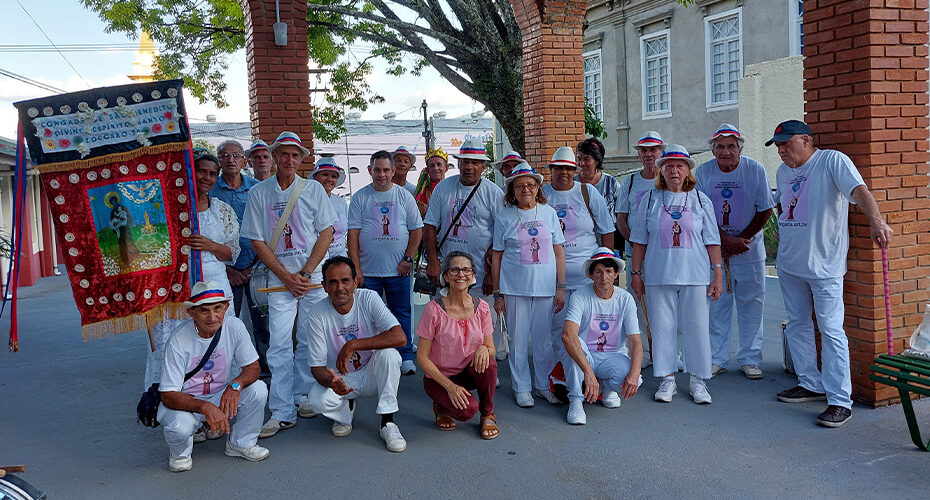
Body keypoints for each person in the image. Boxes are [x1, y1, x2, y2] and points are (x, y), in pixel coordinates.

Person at [767, 120, 892, 427]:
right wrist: (785, 228)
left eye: (787, 143)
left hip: (824, 266)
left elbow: (859, 191)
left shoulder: (831, 161)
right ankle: (810, 383)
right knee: (797, 324)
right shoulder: (783, 172)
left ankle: (839, 400)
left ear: (807, 140)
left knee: (831, 330)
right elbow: (784, 206)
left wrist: (877, 222)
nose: (782, 150)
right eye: (778, 145)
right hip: (790, 264)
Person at [241, 131, 336, 438]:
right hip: (278, 280)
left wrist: (306, 274)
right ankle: (282, 410)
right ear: (274, 157)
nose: (290, 160)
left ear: (301, 159)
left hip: (312, 279)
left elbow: (326, 233)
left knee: (309, 340)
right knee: (280, 343)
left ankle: (304, 396)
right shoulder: (260, 193)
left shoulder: (314, 190)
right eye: (284, 154)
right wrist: (285, 276)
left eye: (295, 155)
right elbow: (257, 240)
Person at [629, 145, 723, 404]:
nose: (674, 171)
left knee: (697, 328)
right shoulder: (650, 199)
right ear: (661, 170)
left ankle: (698, 381)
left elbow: (712, 241)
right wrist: (636, 274)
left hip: (696, 274)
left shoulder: (701, 200)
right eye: (669, 165)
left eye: (679, 166)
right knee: (662, 328)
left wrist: (717, 275)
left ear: (688, 171)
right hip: (659, 274)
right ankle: (667, 379)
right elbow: (639, 241)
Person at [143, 150, 241, 396]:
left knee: (218, 345)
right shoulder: (168, 208)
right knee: (178, 345)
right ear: (188, 173)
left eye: (212, 173)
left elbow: (233, 254)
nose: (207, 178)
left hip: (216, 285)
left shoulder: (223, 210)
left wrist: (210, 246)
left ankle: (217, 401)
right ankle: (181, 403)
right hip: (179, 287)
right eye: (201, 171)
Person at [157, 281, 269, 472]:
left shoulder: (234, 326)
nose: (212, 316)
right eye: (204, 310)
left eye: (218, 308)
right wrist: (205, 407)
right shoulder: (178, 340)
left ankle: (241, 443)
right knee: (179, 427)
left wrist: (236, 385)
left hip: (220, 394)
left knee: (258, 389)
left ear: (226, 308)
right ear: (192, 313)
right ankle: (180, 454)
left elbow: (252, 367)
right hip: (186, 402)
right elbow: (168, 394)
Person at [695, 124, 775, 380]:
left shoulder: (755, 170)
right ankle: (717, 358)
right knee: (717, 305)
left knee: (752, 304)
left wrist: (741, 240)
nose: (725, 152)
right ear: (713, 150)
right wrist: (725, 241)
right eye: (720, 147)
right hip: (717, 251)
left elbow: (765, 209)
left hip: (749, 250)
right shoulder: (704, 172)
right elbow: (702, 212)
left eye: (731, 146)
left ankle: (750, 358)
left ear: (739, 148)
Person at [307, 257, 408, 452]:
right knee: (316, 400)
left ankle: (387, 422)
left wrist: (353, 345)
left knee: (390, 355)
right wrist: (332, 383)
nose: (339, 288)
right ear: (324, 286)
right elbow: (317, 368)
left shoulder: (368, 298)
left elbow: (400, 337)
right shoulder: (317, 313)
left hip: (372, 372)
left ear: (355, 282)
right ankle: (345, 412)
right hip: (343, 378)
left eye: (345, 280)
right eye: (333, 282)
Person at [491, 161, 566, 407]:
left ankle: (544, 385)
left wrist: (560, 286)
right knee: (519, 339)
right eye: (520, 186)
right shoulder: (504, 217)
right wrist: (498, 292)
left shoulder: (549, 213)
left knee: (544, 341)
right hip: (515, 289)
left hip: (545, 288)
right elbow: (497, 257)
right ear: (512, 190)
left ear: (537, 188)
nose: (526, 189)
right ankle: (522, 387)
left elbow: (558, 252)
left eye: (530, 185)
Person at [423, 139, 506, 359]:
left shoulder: (493, 192)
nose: (469, 166)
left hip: (479, 272)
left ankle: (484, 367)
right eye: (465, 162)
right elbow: (430, 226)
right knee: (447, 320)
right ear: (458, 164)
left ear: (483, 167)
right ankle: (450, 366)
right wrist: (433, 261)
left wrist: (491, 275)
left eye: (475, 163)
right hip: (449, 270)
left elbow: (500, 236)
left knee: (481, 323)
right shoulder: (443, 188)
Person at [348, 150, 423, 375]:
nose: (381, 175)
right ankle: (368, 359)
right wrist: (356, 268)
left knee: (401, 313)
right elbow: (353, 234)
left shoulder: (404, 196)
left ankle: (405, 355)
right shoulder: (360, 197)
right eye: (377, 170)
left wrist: (408, 258)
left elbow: (416, 230)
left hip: (398, 270)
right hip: (368, 271)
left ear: (393, 171)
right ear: (370, 171)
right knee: (367, 317)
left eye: (386, 170)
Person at [542, 147, 616, 362]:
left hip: (587, 276)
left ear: (574, 170)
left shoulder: (587, 192)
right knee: (558, 330)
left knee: (591, 327)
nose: (563, 172)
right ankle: (560, 376)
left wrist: (608, 268)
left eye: (567, 168)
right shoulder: (543, 195)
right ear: (551, 170)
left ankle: (592, 373)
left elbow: (607, 230)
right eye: (558, 168)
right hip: (554, 279)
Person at [416, 251, 499, 439]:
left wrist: (483, 349)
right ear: (445, 276)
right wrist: (449, 387)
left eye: (466, 270)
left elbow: (492, 349)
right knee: (467, 411)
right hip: (438, 379)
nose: (461, 274)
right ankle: (441, 405)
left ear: (473, 276)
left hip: (468, 372)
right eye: (454, 270)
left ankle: (488, 414)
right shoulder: (434, 310)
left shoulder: (482, 307)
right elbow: (421, 357)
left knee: (490, 365)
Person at [210, 140, 271, 378]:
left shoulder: (257, 188)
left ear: (245, 160)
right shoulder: (210, 192)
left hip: (257, 266)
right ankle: (230, 370)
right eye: (225, 155)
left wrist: (255, 265)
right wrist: (229, 271)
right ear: (219, 161)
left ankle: (264, 368)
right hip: (225, 270)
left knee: (262, 323)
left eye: (236, 155)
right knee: (226, 323)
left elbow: (268, 228)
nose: (231, 160)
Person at [561, 249, 643, 424]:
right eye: (598, 271)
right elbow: (568, 335)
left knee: (635, 377)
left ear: (616, 274)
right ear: (591, 275)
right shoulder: (580, 295)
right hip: (587, 356)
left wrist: (635, 373)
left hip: (612, 357)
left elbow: (635, 341)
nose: (603, 277)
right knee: (573, 344)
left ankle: (607, 389)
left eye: (608, 271)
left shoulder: (625, 299)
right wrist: (589, 373)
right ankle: (576, 400)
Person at [617, 131, 666, 367]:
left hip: (663, 255)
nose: (648, 154)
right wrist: (637, 244)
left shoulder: (669, 180)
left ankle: (667, 352)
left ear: (661, 152)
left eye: (653, 150)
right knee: (638, 303)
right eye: (644, 150)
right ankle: (645, 353)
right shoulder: (631, 182)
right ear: (639, 154)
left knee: (665, 303)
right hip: (636, 254)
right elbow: (621, 220)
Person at [311, 157, 349, 258]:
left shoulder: (341, 202)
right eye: (325, 174)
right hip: (317, 262)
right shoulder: (307, 202)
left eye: (334, 176)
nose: (330, 179)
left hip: (340, 259)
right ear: (315, 177)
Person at [576, 137, 621, 216]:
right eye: (579, 159)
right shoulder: (573, 184)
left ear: (597, 161)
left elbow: (620, 214)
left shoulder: (611, 183)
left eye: (586, 159)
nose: (581, 163)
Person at [414, 147, 450, 217]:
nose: (436, 168)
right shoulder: (423, 190)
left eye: (439, 164)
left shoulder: (452, 187)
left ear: (446, 168)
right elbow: (418, 215)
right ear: (427, 170)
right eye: (432, 166)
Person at [107, 194, 141, 269]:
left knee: (128, 241)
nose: (114, 203)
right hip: (119, 230)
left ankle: (135, 254)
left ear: (117, 201)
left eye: (114, 201)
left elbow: (129, 217)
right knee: (122, 244)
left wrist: (124, 221)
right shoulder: (113, 212)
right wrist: (115, 224)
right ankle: (125, 260)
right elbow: (112, 221)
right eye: (112, 202)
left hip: (125, 228)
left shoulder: (123, 208)